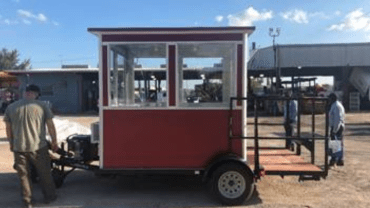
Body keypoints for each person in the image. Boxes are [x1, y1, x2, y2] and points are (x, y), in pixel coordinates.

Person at [4, 84, 58, 208]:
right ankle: (50, 197)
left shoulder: (11, 107)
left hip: (19, 147)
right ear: (36, 94)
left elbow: (8, 128)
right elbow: (50, 125)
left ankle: (27, 201)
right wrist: (54, 141)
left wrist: (11, 143)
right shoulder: (42, 106)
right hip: (39, 147)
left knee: (24, 176)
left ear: (25, 93)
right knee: (44, 173)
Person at [328, 93, 345, 166]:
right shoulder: (336, 105)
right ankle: (337, 159)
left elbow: (337, 119)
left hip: (337, 127)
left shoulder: (336, 106)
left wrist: (334, 130)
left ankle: (336, 159)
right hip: (337, 126)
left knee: (336, 143)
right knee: (337, 143)